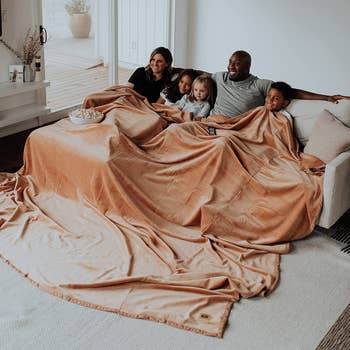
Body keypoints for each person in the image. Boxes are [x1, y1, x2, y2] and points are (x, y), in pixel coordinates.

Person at [211, 50, 350, 118]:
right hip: (208, 124)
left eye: (237, 64)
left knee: (220, 146)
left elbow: (291, 92)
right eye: (230, 62)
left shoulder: (258, 84)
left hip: (231, 131)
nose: (230, 67)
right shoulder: (220, 77)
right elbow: (199, 75)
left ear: (247, 67)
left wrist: (326, 98)